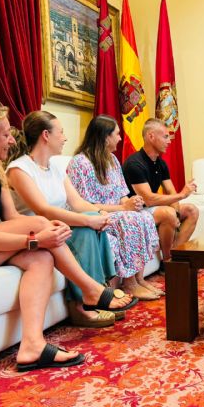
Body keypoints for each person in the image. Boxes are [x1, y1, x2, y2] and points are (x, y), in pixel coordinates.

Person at [0, 101, 127, 371]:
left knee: (41, 258)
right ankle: (90, 289)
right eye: (4, 134)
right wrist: (36, 237)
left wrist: (43, 234)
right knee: (39, 229)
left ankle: (32, 345)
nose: (11, 139)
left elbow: (13, 219)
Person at [6, 110, 139, 329]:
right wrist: (87, 221)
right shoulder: (19, 169)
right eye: (61, 132)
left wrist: (100, 215)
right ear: (46, 135)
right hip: (37, 231)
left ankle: (98, 289)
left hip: (61, 225)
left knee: (92, 219)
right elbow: (43, 209)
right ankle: (80, 304)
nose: (65, 137)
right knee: (86, 227)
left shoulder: (56, 168)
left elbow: (77, 203)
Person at [66, 115, 162, 298]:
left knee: (143, 215)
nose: (120, 138)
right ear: (105, 137)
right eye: (117, 134)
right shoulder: (80, 163)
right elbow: (84, 205)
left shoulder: (112, 160)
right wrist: (123, 209)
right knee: (129, 218)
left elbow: (122, 196)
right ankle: (130, 284)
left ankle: (139, 279)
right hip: (94, 215)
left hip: (116, 212)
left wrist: (131, 202)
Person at [123, 118, 199, 262]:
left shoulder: (161, 163)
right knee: (167, 213)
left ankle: (176, 255)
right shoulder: (134, 163)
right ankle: (168, 261)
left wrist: (177, 213)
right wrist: (182, 195)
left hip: (150, 209)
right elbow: (149, 199)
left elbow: (171, 192)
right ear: (151, 136)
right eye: (165, 136)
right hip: (134, 211)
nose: (169, 141)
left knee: (191, 210)